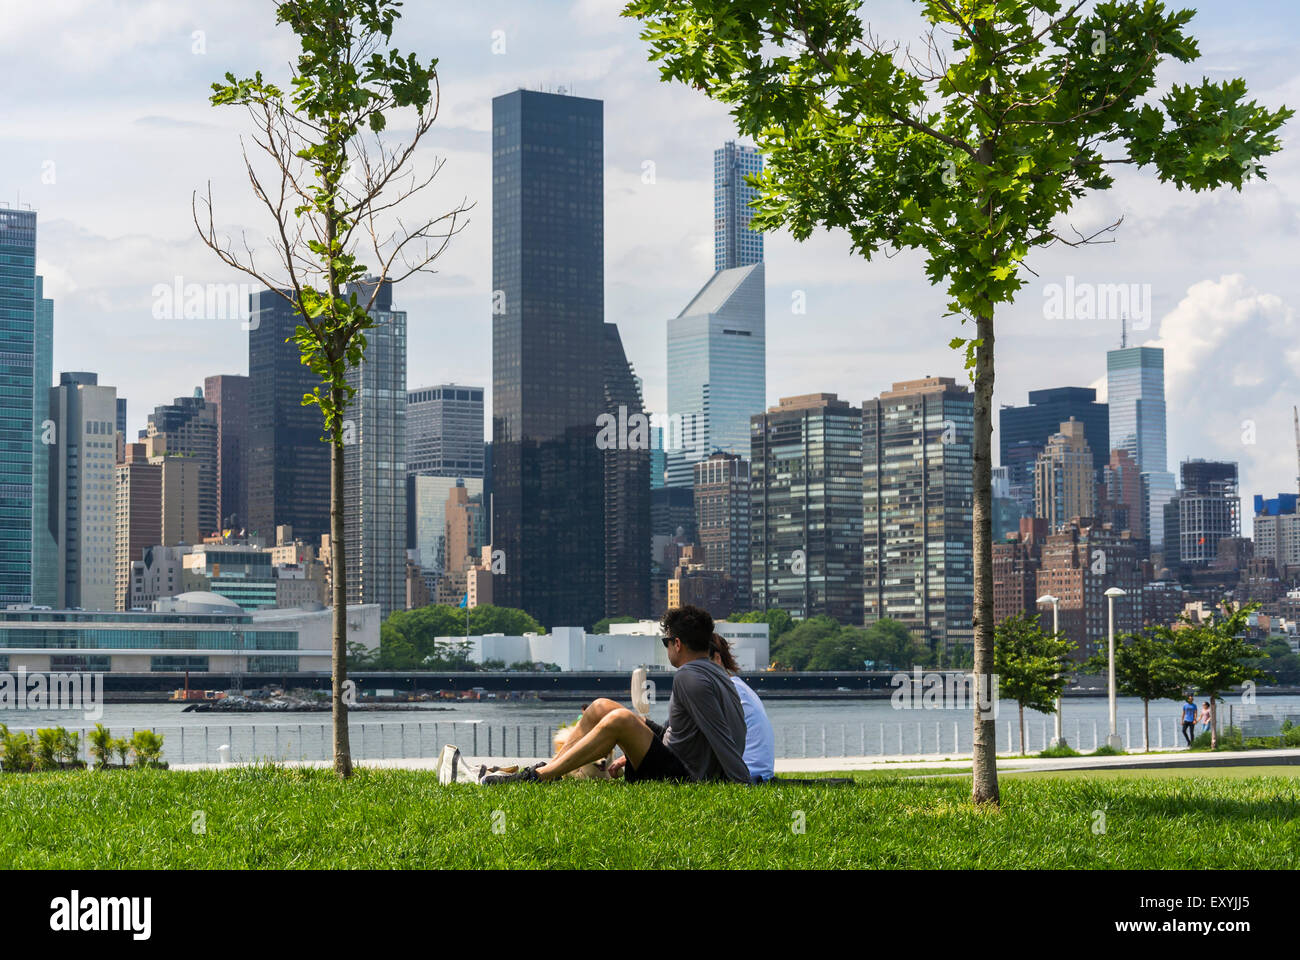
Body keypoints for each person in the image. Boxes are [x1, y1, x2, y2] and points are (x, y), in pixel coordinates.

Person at [482, 604, 750, 784]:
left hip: (681, 775)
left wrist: (741, 782)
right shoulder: (716, 674)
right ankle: (555, 766)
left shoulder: (689, 677)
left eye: (666, 642)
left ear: (677, 644)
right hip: (675, 756)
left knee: (619, 720)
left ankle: (539, 776)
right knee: (600, 707)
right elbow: (693, 733)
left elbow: (722, 738)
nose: (667, 647)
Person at [707, 632, 776, 782]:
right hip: (758, 775)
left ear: (717, 660)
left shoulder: (729, 692)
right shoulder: (739, 687)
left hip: (747, 777)